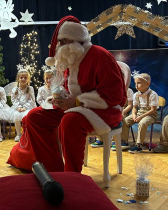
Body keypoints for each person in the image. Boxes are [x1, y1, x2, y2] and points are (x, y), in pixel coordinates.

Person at [7, 15, 126, 172]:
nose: (59, 46)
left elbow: (114, 96)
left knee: (70, 121)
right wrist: (59, 98)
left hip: (104, 110)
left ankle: (72, 176)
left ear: (75, 39)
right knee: (34, 117)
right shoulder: (72, 58)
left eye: (63, 42)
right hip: (76, 107)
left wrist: (77, 102)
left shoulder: (100, 56)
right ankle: (51, 169)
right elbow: (70, 90)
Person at [90, 61, 133, 151]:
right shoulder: (106, 88)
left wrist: (123, 111)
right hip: (109, 108)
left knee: (122, 119)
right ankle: (101, 139)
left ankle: (121, 140)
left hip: (122, 109)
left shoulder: (128, 91)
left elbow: (129, 105)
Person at [121, 73, 159, 153]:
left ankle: (139, 145)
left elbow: (153, 110)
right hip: (139, 113)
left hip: (150, 115)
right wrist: (134, 115)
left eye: (139, 83)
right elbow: (134, 108)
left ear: (147, 83)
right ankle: (124, 141)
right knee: (125, 120)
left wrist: (141, 117)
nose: (136, 85)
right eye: (135, 83)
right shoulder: (136, 95)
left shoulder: (153, 94)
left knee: (142, 123)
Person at [10, 65, 36, 142]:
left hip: (28, 107)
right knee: (16, 115)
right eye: (21, 78)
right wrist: (18, 107)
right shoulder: (15, 89)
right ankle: (18, 134)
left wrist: (25, 107)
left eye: (25, 78)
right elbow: (13, 99)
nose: (23, 79)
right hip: (18, 107)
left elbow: (32, 100)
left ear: (28, 79)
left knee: (27, 115)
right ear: (18, 79)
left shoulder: (30, 89)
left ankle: (26, 133)